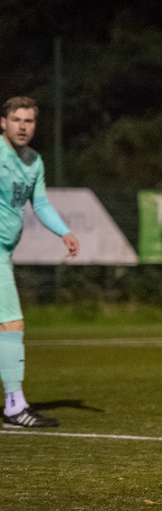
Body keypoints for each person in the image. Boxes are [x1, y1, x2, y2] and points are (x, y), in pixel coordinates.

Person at [1, 96, 80, 428]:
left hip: (4, 252)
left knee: (8, 326)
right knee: (11, 325)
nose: (23, 126)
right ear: (2, 122)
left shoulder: (34, 161)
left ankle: (14, 405)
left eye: (29, 121)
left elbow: (41, 203)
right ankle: (15, 406)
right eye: (16, 119)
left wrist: (64, 232)